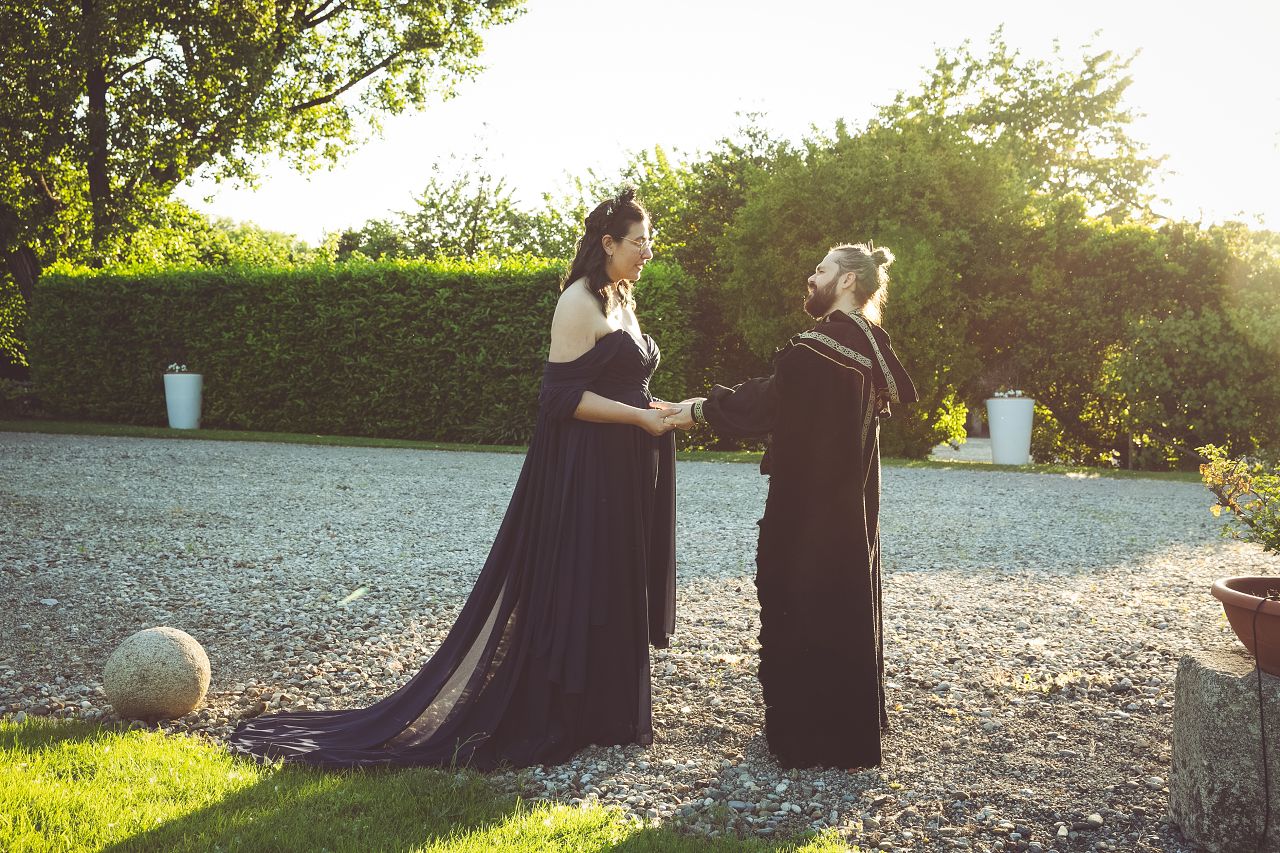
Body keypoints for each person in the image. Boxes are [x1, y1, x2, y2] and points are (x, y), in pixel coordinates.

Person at [229, 188, 678, 769]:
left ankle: (604, 712)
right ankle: (562, 710)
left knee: (611, 577)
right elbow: (559, 398)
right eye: (640, 242)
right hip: (584, 468)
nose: (648, 253)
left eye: (649, 242)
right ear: (608, 243)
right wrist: (636, 417)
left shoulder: (622, 297)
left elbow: (625, 383)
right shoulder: (576, 302)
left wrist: (655, 409)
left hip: (623, 465)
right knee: (578, 578)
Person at [660, 243, 917, 769]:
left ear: (847, 280)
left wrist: (699, 409)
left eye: (821, 270)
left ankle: (809, 738)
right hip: (848, 504)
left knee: (801, 595)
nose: (811, 277)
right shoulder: (865, 345)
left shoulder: (820, 347)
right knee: (842, 595)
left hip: (809, 505)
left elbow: (769, 402)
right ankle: (846, 731)